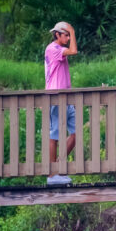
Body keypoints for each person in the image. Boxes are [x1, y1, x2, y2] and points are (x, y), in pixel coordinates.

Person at [45, 21, 77, 185]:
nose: (68, 37)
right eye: (66, 34)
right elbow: (74, 50)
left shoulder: (60, 50)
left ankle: (56, 168)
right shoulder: (53, 49)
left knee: (76, 133)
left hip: (67, 97)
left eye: (69, 34)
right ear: (57, 35)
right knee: (55, 135)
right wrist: (72, 28)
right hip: (55, 97)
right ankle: (52, 175)